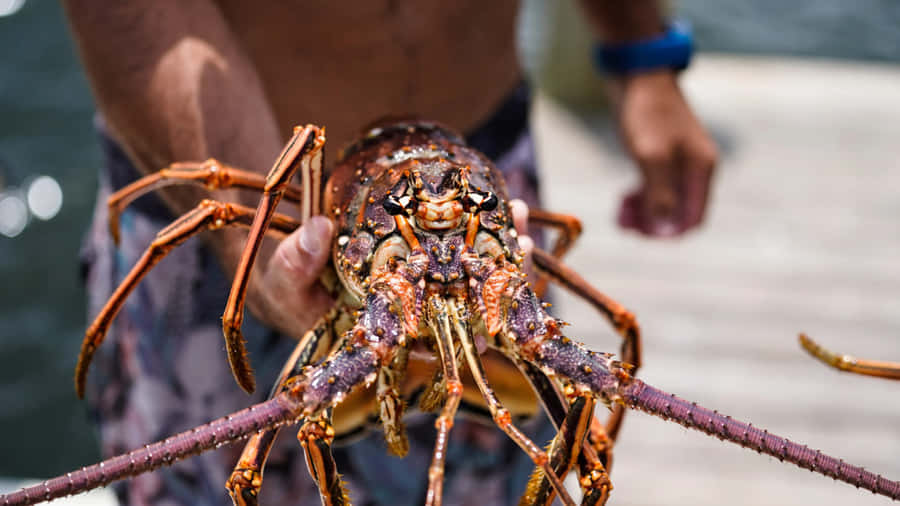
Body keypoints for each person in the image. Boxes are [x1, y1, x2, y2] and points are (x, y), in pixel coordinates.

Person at [67, 1, 718, 504]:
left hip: (481, 154)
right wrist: (254, 257)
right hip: (246, 213)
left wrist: (641, 51)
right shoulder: (246, 216)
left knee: (570, 417)